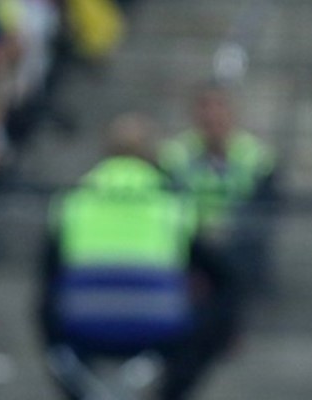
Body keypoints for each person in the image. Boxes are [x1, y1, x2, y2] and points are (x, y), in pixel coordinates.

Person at [39, 112, 241, 400]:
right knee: (217, 306)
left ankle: (77, 391)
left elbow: (48, 271)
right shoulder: (171, 200)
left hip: (81, 323)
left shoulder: (74, 197)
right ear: (151, 154)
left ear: (106, 151)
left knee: (46, 302)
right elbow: (220, 272)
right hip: (159, 326)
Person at [158, 81, 277, 295]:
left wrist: (226, 229)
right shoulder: (174, 155)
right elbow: (169, 204)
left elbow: (262, 209)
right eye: (205, 106)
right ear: (193, 113)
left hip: (238, 248)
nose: (212, 115)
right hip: (191, 247)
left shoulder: (257, 157)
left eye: (220, 106)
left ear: (233, 112)